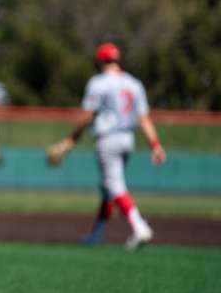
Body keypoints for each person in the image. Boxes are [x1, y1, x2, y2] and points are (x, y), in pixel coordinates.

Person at [50, 42, 167, 250]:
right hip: (127, 139)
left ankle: (139, 226)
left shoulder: (99, 83)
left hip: (108, 138)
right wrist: (155, 145)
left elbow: (88, 116)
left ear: (101, 60)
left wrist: (71, 140)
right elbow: (144, 118)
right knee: (108, 188)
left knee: (115, 185)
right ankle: (96, 234)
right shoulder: (134, 83)